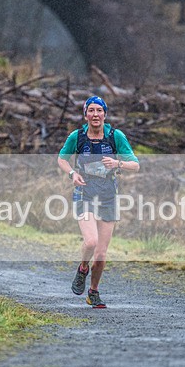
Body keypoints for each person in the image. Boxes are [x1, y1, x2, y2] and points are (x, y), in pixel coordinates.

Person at [57, 95, 140, 308]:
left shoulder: (115, 136)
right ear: (85, 114)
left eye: (99, 111)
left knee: (101, 254)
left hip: (107, 196)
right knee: (91, 242)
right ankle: (83, 267)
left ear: (105, 114)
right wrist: (72, 175)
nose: (95, 114)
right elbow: (61, 159)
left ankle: (93, 291)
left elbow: (135, 164)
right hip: (84, 193)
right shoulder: (77, 136)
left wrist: (117, 163)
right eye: (91, 110)